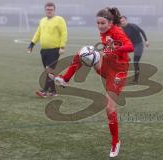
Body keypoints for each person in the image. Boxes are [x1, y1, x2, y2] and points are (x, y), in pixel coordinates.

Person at [51, 7, 133, 157]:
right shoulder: (105, 32)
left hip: (118, 72)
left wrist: (112, 50)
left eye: (103, 23)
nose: (100, 26)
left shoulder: (117, 32)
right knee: (83, 52)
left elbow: (130, 47)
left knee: (109, 108)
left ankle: (115, 142)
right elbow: (108, 50)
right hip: (106, 65)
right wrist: (105, 52)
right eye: (98, 23)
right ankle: (65, 79)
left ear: (110, 23)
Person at [27, 2, 68, 97]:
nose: (49, 11)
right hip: (44, 50)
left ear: (54, 10)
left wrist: (62, 46)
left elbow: (64, 33)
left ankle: (44, 91)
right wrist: (32, 44)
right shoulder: (42, 20)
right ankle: (53, 91)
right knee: (49, 72)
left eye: (51, 9)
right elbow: (38, 33)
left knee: (48, 70)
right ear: (45, 10)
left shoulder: (59, 20)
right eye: (47, 9)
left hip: (55, 50)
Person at [120, 16, 150, 83]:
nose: (122, 22)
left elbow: (142, 31)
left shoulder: (132, 26)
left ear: (126, 20)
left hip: (139, 45)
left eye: (123, 20)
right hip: (131, 45)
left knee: (135, 62)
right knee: (120, 57)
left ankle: (136, 80)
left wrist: (146, 41)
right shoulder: (121, 28)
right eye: (121, 21)